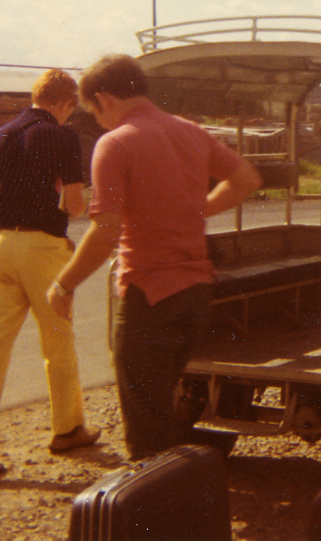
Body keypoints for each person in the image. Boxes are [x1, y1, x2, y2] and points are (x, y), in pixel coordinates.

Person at [47, 54, 262, 460]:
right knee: (160, 406)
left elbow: (106, 231)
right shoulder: (192, 132)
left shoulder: (115, 143)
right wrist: (197, 209)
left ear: (104, 99)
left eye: (94, 112)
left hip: (149, 297)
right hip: (196, 295)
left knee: (145, 425)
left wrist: (64, 284)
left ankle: (154, 512)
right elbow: (246, 179)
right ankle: (175, 492)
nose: (97, 121)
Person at [0, 69, 100, 477]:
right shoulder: (62, 136)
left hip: (2, 246)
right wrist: (55, 191)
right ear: (65, 102)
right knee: (57, 341)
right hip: (42, 247)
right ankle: (68, 428)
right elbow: (74, 207)